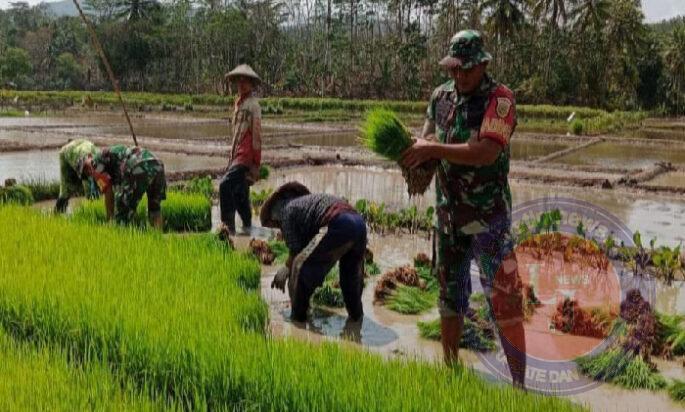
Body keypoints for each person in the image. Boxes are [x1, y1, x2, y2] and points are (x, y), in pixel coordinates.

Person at [400, 30, 527, 388]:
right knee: (449, 298)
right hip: (449, 220)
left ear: (484, 64)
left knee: (504, 304)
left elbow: (486, 151)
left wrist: (433, 149)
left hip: (489, 222)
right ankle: (450, 372)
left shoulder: (500, 100)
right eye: (455, 69)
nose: (460, 76)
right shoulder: (440, 97)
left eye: (466, 70)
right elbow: (425, 139)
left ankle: (519, 386)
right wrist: (411, 155)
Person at [260, 182, 366, 322]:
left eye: (275, 224)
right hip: (359, 224)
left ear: (275, 214)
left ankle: (298, 320)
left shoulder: (287, 211)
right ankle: (356, 320)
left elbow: (296, 252)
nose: (279, 228)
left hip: (337, 222)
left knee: (300, 269)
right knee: (350, 279)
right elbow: (310, 247)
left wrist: (286, 269)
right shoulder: (304, 206)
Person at [219, 64, 262, 236]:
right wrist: (231, 157)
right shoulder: (237, 104)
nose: (242, 84)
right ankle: (248, 228)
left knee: (224, 185)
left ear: (252, 84)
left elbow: (257, 135)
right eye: (240, 81)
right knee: (239, 193)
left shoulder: (253, 105)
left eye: (246, 82)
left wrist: (256, 164)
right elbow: (235, 134)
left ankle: (227, 229)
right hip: (236, 154)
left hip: (245, 156)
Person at [80, 144, 166, 229]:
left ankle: (120, 237)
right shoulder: (112, 154)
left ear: (89, 158)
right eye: (86, 174)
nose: (89, 172)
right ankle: (158, 236)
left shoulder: (95, 164)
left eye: (86, 169)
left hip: (136, 166)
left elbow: (108, 190)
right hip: (157, 164)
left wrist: (110, 219)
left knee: (122, 214)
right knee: (155, 208)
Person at [54, 139, 99, 213]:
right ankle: (58, 212)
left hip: (84, 145)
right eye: (86, 171)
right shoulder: (76, 158)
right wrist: (91, 198)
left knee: (95, 183)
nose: (89, 172)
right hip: (66, 152)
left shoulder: (98, 157)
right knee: (66, 188)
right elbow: (86, 181)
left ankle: (94, 208)